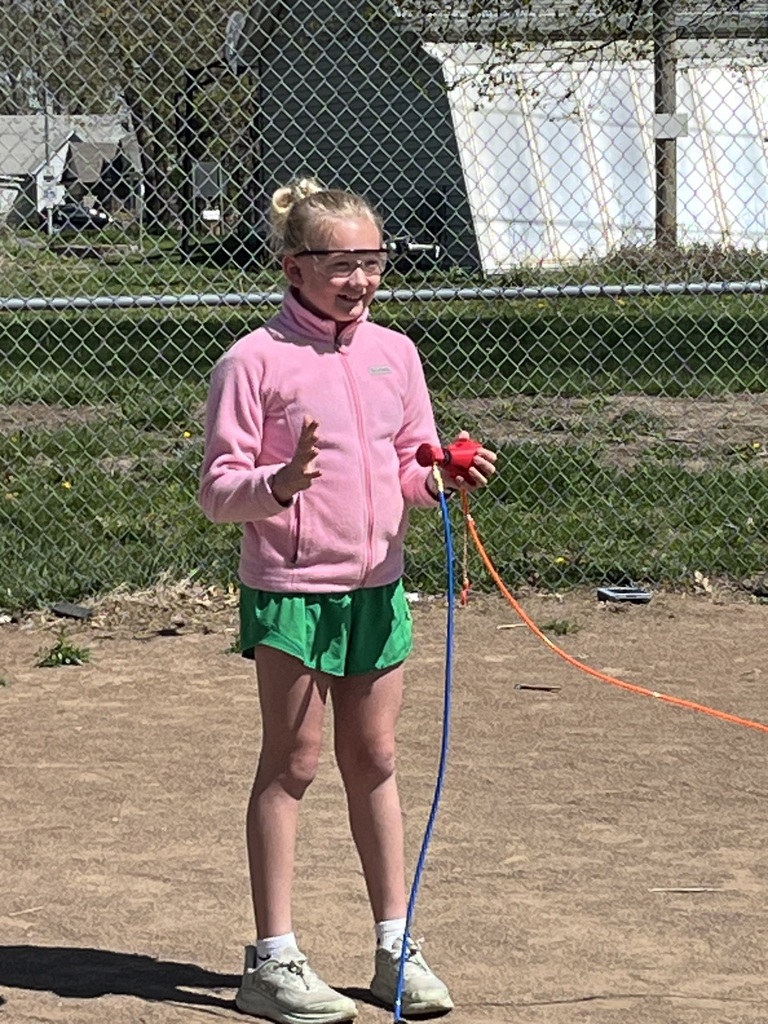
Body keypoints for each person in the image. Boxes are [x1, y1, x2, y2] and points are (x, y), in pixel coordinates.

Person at [199, 177, 496, 1024]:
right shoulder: (252, 361)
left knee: (376, 762)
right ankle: (273, 959)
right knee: (291, 764)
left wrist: (440, 475)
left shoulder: (396, 353)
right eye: (341, 262)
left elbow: (410, 458)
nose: (360, 279)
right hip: (293, 590)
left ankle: (395, 948)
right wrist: (278, 484)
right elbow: (218, 491)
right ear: (294, 267)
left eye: (373, 262)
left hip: (378, 585)